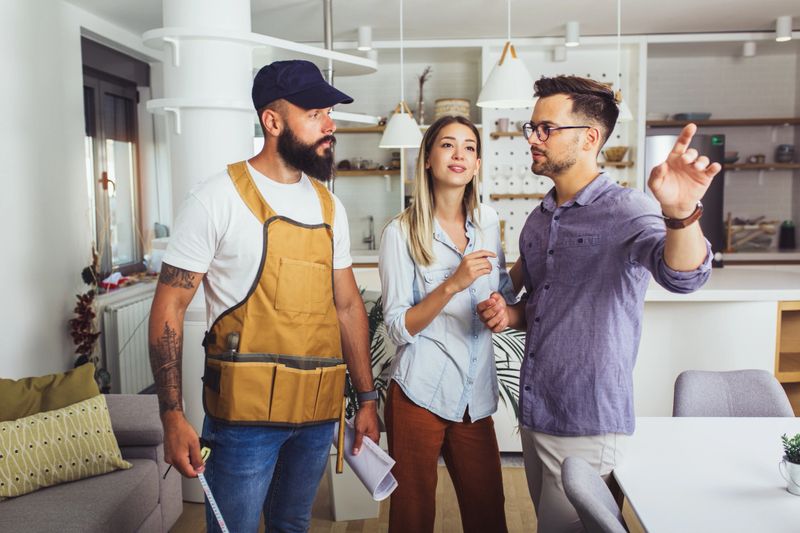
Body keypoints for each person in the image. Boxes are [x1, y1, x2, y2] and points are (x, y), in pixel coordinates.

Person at [477, 76, 718, 533]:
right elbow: (544, 306)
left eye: (546, 129)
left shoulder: (627, 209)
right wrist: (511, 314)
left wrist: (681, 214)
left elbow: (684, 277)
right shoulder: (538, 219)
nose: (533, 139)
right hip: (536, 412)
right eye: (532, 128)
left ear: (589, 138)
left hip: (587, 420)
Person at [148, 59, 379, 533]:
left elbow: (348, 306)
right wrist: (172, 416)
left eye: (329, 113)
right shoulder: (215, 198)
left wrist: (367, 399)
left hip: (317, 412)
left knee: (292, 525)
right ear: (272, 122)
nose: (330, 126)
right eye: (314, 114)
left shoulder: (329, 206)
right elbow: (169, 306)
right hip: (243, 422)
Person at [379, 115, 516, 533]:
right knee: (412, 520)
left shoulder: (488, 221)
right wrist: (453, 284)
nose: (459, 154)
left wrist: (499, 307)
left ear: (477, 164)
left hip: (474, 396)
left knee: (489, 514)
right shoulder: (401, 233)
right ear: (427, 159)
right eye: (447, 145)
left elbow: (503, 289)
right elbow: (397, 326)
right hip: (419, 394)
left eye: (469, 147)